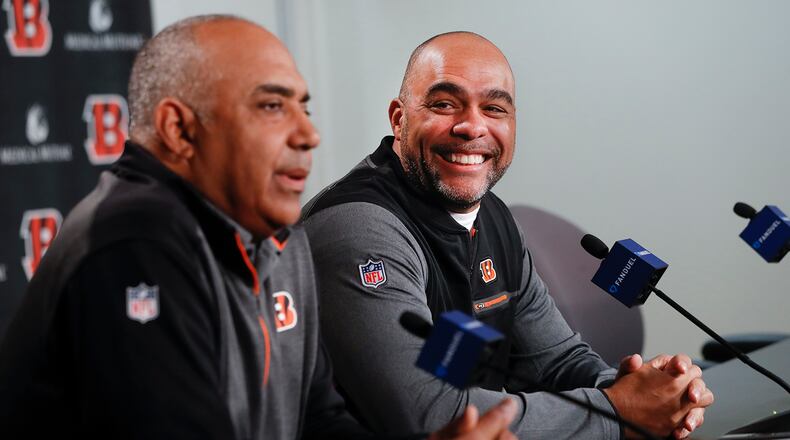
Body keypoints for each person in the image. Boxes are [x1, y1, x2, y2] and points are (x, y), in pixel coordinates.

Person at [0, 16, 519, 440]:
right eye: (272, 106)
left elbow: (319, 419)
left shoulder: (279, 236)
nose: (308, 134)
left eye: (303, 107)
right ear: (179, 129)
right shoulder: (133, 244)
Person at [301, 31, 714, 439]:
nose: (471, 126)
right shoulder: (358, 228)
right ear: (399, 118)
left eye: (495, 108)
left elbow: (554, 362)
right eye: (445, 104)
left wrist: (653, 393)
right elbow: (430, 414)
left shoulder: (493, 218)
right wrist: (619, 412)